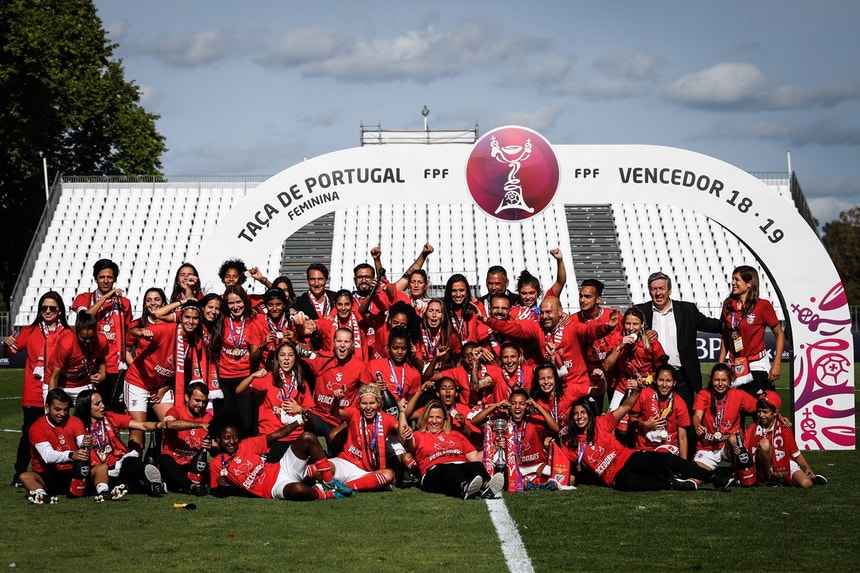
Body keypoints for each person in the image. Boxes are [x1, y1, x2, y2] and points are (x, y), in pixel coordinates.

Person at [565, 389, 734, 492]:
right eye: (576, 414)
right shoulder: (571, 445)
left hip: (628, 457)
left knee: (667, 460)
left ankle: (713, 478)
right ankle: (672, 485)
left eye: (583, 412)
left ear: (589, 414)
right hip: (615, 476)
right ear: (572, 418)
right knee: (630, 482)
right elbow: (562, 468)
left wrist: (638, 390)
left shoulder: (602, 423)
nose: (580, 417)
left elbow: (625, 408)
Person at [479, 296, 619, 403]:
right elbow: (513, 328)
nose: (545, 316)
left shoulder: (572, 326)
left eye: (549, 312)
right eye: (542, 312)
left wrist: (607, 327)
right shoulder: (537, 327)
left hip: (577, 386)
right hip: (554, 388)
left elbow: (591, 331)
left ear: (560, 312)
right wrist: (487, 320)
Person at [207, 411, 355, 501]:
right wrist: (220, 487)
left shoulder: (246, 444)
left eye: (235, 437)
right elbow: (215, 491)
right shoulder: (215, 464)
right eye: (227, 438)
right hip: (273, 488)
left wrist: (299, 420)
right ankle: (329, 495)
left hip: (281, 467)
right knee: (298, 490)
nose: (232, 441)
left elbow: (277, 434)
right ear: (218, 439)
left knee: (308, 437)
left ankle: (329, 482)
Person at [4, 291, 69, 487]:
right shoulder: (30, 331)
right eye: (44, 308)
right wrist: (7, 345)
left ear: (59, 311)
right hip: (33, 391)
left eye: (52, 308)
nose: (48, 311)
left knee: (58, 432)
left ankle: (56, 471)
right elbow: (12, 351)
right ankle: (20, 472)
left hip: (57, 391)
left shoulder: (66, 333)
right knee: (29, 433)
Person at [634, 272, 722, 413]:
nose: (658, 293)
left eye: (661, 288)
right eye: (654, 289)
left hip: (682, 376)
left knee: (685, 418)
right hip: (652, 375)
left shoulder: (687, 310)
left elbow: (711, 325)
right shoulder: (640, 311)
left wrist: (733, 323)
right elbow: (628, 332)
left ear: (670, 290)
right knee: (652, 417)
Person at [124, 301, 208, 448]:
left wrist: (163, 389)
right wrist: (142, 332)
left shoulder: (196, 342)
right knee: (138, 427)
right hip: (139, 381)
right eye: (187, 317)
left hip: (162, 386)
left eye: (195, 318)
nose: (191, 321)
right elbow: (134, 331)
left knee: (171, 423)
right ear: (180, 318)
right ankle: (133, 462)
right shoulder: (167, 330)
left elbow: (183, 375)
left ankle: (164, 459)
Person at [400, 399, 504, 499]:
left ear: (445, 419)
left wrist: (493, 448)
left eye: (438, 417)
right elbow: (407, 443)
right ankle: (464, 487)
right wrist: (407, 431)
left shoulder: (456, 435)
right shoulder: (419, 435)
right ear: (424, 418)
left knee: (476, 465)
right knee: (450, 468)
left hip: (460, 467)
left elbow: (475, 457)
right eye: (430, 417)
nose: (434, 421)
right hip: (434, 472)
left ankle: (488, 485)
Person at [74, 389, 166, 498]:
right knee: (123, 485)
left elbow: (142, 426)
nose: (103, 406)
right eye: (97, 404)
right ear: (86, 407)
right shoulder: (76, 425)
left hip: (118, 462)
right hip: (97, 469)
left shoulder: (110, 417)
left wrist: (159, 425)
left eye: (102, 402)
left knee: (131, 461)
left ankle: (151, 479)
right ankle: (151, 486)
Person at [236, 341, 314, 461]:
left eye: (290, 355)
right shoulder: (268, 378)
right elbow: (239, 390)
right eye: (282, 355)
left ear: (295, 358)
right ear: (277, 358)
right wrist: (252, 376)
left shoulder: (301, 382)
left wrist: (299, 409)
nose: (286, 358)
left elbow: (310, 413)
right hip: (272, 436)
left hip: (295, 436)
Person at [72, 258, 132, 412]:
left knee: (113, 412)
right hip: (91, 364)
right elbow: (85, 318)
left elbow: (127, 334)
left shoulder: (124, 303)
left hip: (115, 366)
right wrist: (105, 298)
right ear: (95, 278)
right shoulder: (84, 298)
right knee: (89, 412)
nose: (106, 281)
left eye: (110, 277)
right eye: (102, 277)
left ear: (115, 279)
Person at [717, 265, 786, 400]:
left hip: (757, 364)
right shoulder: (728, 304)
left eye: (737, 280)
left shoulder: (763, 306)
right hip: (735, 365)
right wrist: (720, 365)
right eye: (732, 279)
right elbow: (726, 336)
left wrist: (777, 364)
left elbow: (780, 334)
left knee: (757, 407)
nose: (733, 283)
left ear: (750, 283)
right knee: (736, 410)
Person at [471, 388, 560, 491]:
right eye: (513, 403)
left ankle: (528, 482)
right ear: (509, 406)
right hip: (512, 466)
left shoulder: (535, 421)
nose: (517, 406)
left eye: (522, 403)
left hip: (535, 465)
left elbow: (555, 429)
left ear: (527, 406)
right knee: (497, 458)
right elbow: (475, 421)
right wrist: (497, 405)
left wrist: (537, 406)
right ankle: (529, 483)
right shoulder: (503, 421)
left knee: (554, 474)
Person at [602, 307, 668, 443]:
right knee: (611, 423)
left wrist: (644, 381)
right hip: (622, 387)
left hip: (646, 389)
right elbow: (607, 366)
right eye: (628, 323)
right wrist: (620, 346)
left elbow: (663, 371)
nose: (631, 328)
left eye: (635, 324)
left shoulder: (650, 341)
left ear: (642, 324)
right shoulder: (617, 338)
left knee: (640, 425)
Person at [741, 390, 826, 488]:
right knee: (764, 443)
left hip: (784, 461)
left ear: (775, 412)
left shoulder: (784, 428)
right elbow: (746, 453)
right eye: (759, 411)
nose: (761, 415)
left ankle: (805, 479)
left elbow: (794, 452)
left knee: (806, 484)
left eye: (765, 412)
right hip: (762, 467)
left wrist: (807, 468)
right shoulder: (752, 428)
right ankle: (770, 478)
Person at [301, 328, 371, 442]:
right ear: (333, 343)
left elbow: (365, 394)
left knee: (335, 440)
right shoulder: (322, 358)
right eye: (339, 341)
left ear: (353, 344)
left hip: (340, 420)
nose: (342, 345)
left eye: (346, 342)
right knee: (298, 423)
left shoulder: (361, 366)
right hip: (318, 416)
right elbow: (295, 355)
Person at [19, 388, 88, 504]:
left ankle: (104, 491)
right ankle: (43, 496)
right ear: (47, 408)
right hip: (47, 475)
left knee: (100, 468)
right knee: (25, 476)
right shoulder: (37, 427)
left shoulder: (74, 421)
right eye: (58, 410)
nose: (62, 414)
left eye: (66, 410)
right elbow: (47, 456)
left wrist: (86, 444)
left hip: (71, 472)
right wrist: (72, 455)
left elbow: (82, 441)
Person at [328, 385, 399, 492]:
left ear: (379, 403)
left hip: (367, 473)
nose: (368, 407)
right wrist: (336, 400)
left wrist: (402, 412)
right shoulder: (354, 413)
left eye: (372, 403)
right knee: (319, 468)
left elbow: (403, 430)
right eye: (364, 403)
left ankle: (342, 487)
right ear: (359, 404)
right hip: (346, 462)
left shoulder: (386, 418)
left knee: (388, 474)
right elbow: (335, 413)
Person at [691, 363, 757, 478]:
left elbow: (762, 407)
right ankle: (727, 473)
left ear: (730, 381)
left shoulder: (738, 395)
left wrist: (778, 417)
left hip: (729, 445)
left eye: (724, 380)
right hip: (708, 446)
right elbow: (697, 415)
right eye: (717, 380)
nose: (720, 384)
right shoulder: (704, 394)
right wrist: (697, 426)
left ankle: (739, 471)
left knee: (733, 438)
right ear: (711, 380)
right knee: (696, 477)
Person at [216, 285, 263, 436]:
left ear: (245, 301)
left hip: (245, 376)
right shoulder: (220, 320)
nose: (235, 307)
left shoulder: (255, 319)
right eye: (231, 303)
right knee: (227, 423)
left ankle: (245, 456)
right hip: (224, 378)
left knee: (246, 423)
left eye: (239, 302)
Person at [570, 278, 620, 411]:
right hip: (589, 382)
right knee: (591, 421)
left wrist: (650, 332)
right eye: (580, 296)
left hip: (614, 380)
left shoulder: (614, 317)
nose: (582, 300)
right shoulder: (572, 320)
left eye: (587, 296)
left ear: (598, 299)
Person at [159, 381, 213, 494]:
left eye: (204, 402)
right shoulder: (175, 411)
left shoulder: (208, 417)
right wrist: (199, 424)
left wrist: (213, 445)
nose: (201, 405)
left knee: (215, 465)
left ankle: (185, 485)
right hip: (175, 465)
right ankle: (191, 486)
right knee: (164, 460)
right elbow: (169, 424)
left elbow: (217, 443)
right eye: (197, 400)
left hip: (194, 466)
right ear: (187, 397)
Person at [629, 364, 691, 458]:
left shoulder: (680, 403)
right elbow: (632, 419)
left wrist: (684, 465)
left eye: (668, 381)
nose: (664, 385)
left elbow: (682, 437)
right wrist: (645, 425)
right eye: (661, 380)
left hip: (668, 447)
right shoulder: (645, 394)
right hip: (645, 447)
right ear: (655, 380)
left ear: (674, 383)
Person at [47, 311, 108, 403]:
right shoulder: (66, 344)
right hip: (59, 383)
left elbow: (101, 358)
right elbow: (54, 377)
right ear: (76, 331)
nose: (87, 341)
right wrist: (52, 401)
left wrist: (102, 373)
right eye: (83, 338)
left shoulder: (102, 341)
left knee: (91, 414)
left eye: (91, 338)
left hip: (83, 383)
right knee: (55, 413)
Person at [509, 249, 567, 321]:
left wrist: (560, 260)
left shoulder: (544, 302)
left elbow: (560, 282)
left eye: (532, 293)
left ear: (538, 292)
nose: (528, 297)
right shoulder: (513, 310)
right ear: (519, 293)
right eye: (524, 293)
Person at [126, 287, 167, 361]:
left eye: (157, 299)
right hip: (141, 370)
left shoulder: (172, 325)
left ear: (163, 303)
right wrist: (134, 368)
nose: (153, 303)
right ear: (145, 304)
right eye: (148, 300)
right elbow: (126, 351)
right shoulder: (135, 324)